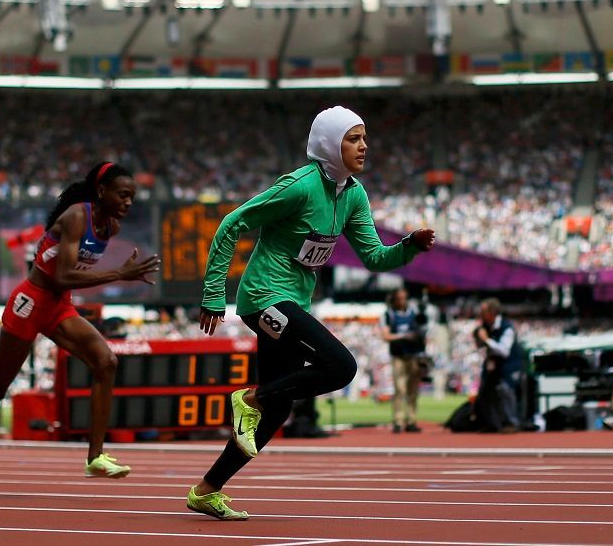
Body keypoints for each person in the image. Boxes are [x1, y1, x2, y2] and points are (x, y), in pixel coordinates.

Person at [188, 106, 435, 520]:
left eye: (364, 138)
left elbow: (373, 257)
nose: (363, 146)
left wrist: (409, 244)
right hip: (263, 298)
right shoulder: (298, 187)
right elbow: (232, 223)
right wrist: (214, 294)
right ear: (328, 144)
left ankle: (206, 490)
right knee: (341, 365)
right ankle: (248, 397)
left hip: (292, 303)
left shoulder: (353, 194)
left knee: (279, 409)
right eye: (353, 138)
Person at [0, 162, 160, 478]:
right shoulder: (78, 216)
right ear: (102, 191)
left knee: (106, 362)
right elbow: (61, 276)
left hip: (59, 305)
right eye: (123, 195)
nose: (129, 202)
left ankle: (95, 457)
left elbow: (66, 284)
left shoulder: (110, 228)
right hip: (31, 302)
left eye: (132, 196)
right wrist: (119, 273)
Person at [379, 288, 426, 433]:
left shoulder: (413, 313)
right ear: (394, 300)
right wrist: (404, 336)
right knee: (400, 389)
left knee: (413, 390)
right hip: (398, 356)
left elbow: (422, 330)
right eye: (399, 298)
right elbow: (386, 336)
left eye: (404, 298)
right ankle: (398, 421)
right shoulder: (388, 315)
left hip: (413, 355)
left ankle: (411, 420)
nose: (402, 301)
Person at [473, 298, 522, 433]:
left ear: (492, 312)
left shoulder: (506, 328)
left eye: (483, 311)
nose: (480, 314)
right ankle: (492, 423)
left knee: (505, 389)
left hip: (509, 364)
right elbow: (479, 346)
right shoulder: (485, 326)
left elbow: (504, 350)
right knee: (484, 392)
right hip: (493, 364)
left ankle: (511, 422)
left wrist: (486, 340)